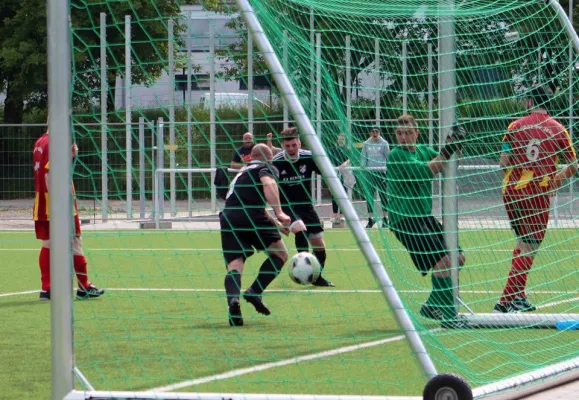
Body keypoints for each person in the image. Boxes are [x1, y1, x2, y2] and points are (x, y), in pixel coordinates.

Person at [495, 86, 577, 313]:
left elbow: (503, 162)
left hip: (511, 192)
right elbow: (573, 166)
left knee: (522, 242)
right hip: (537, 193)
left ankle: (519, 296)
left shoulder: (514, 126)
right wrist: (554, 182)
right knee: (530, 246)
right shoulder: (558, 129)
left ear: (530, 102)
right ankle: (504, 302)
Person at [387, 114, 467, 327]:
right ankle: (449, 317)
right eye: (399, 134)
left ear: (416, 133)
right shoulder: (396, 155)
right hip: (404, 220)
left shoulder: (422, 150)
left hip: (423, 216)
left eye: (408, 133)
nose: (403, 137)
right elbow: (425, 172)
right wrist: (447, 150)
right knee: (443, 261)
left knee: (458, 257)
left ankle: (432, 305)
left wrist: (457, 146)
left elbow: (446, 164)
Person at [220, 143, 291, 326]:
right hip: (251, 215)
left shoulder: (242, 172)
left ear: (251, 156)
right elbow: (268, 183)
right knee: (281, 255)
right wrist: (280, 213)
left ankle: (233, 302)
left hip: (229, 216)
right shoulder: (266, 167)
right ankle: (254, 291)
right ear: (269, 157)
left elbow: (254, 200)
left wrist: (275, 223)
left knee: (235, 264)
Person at [33, 125, 105, 301]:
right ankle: (84, 286)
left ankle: (47, 289)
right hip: (59, 203)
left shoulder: (40, 142)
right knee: (75, 242)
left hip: (43, 202)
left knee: (48, 244)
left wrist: (69, 157)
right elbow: (51, 174)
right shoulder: (55, 142)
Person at [272, 127, 334, 287]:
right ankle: (302, 269)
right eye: (287, 146)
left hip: (306, 206)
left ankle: (317, 277)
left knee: (319, 246)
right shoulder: (276, 162)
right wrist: (277, 214)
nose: (291, 149)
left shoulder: (308, 157)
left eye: (294, 145)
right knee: (300, 228)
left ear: (299, 142)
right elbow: (269, 187)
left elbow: (326, 174)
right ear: (283, 145)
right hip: (287, 206)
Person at [360, 127, 390, 228]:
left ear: (379, 132)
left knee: (383, 196)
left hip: (381, 172)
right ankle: (371, 219)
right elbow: (363, 157)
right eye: (373, 131)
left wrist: (387, 169)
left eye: (376, 131)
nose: (375, 133)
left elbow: (388, 157)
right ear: (370, 132)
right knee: (369, 196)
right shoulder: (366, 143)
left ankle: (385, 219)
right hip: (370, 173)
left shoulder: (384, 143)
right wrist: (363, 167)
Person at [328, 133, 351, 222]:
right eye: (339, 139)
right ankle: (335, 215)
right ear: (337, 140)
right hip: (334, 174)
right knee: (334, 194)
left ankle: (341, 215)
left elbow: (351, 158)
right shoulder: (332, 150)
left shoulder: (347, 150)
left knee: (343, 194)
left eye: (343, 139)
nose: (341, 140)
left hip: (344, 175)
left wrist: (345, 163)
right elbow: (328, 159)